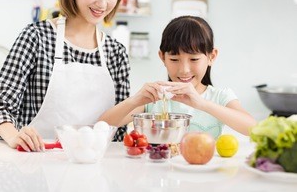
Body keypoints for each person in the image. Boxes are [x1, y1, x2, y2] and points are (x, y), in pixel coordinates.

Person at [0, 0, 132, 152]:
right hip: (36, 166)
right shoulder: (36, 37)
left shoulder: (116, 53)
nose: (102, 3)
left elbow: (116, 132)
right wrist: (15, 136)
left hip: (94, 173)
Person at [99, 15, 257, 138]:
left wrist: (202, 104)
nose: (184, 70)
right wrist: (135, 100)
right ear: (162, 57)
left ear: (212, 56)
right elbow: (101, 126)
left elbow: (253, 129)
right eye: (174, 59)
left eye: (194, 59)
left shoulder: (220, 97)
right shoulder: (155, 98)